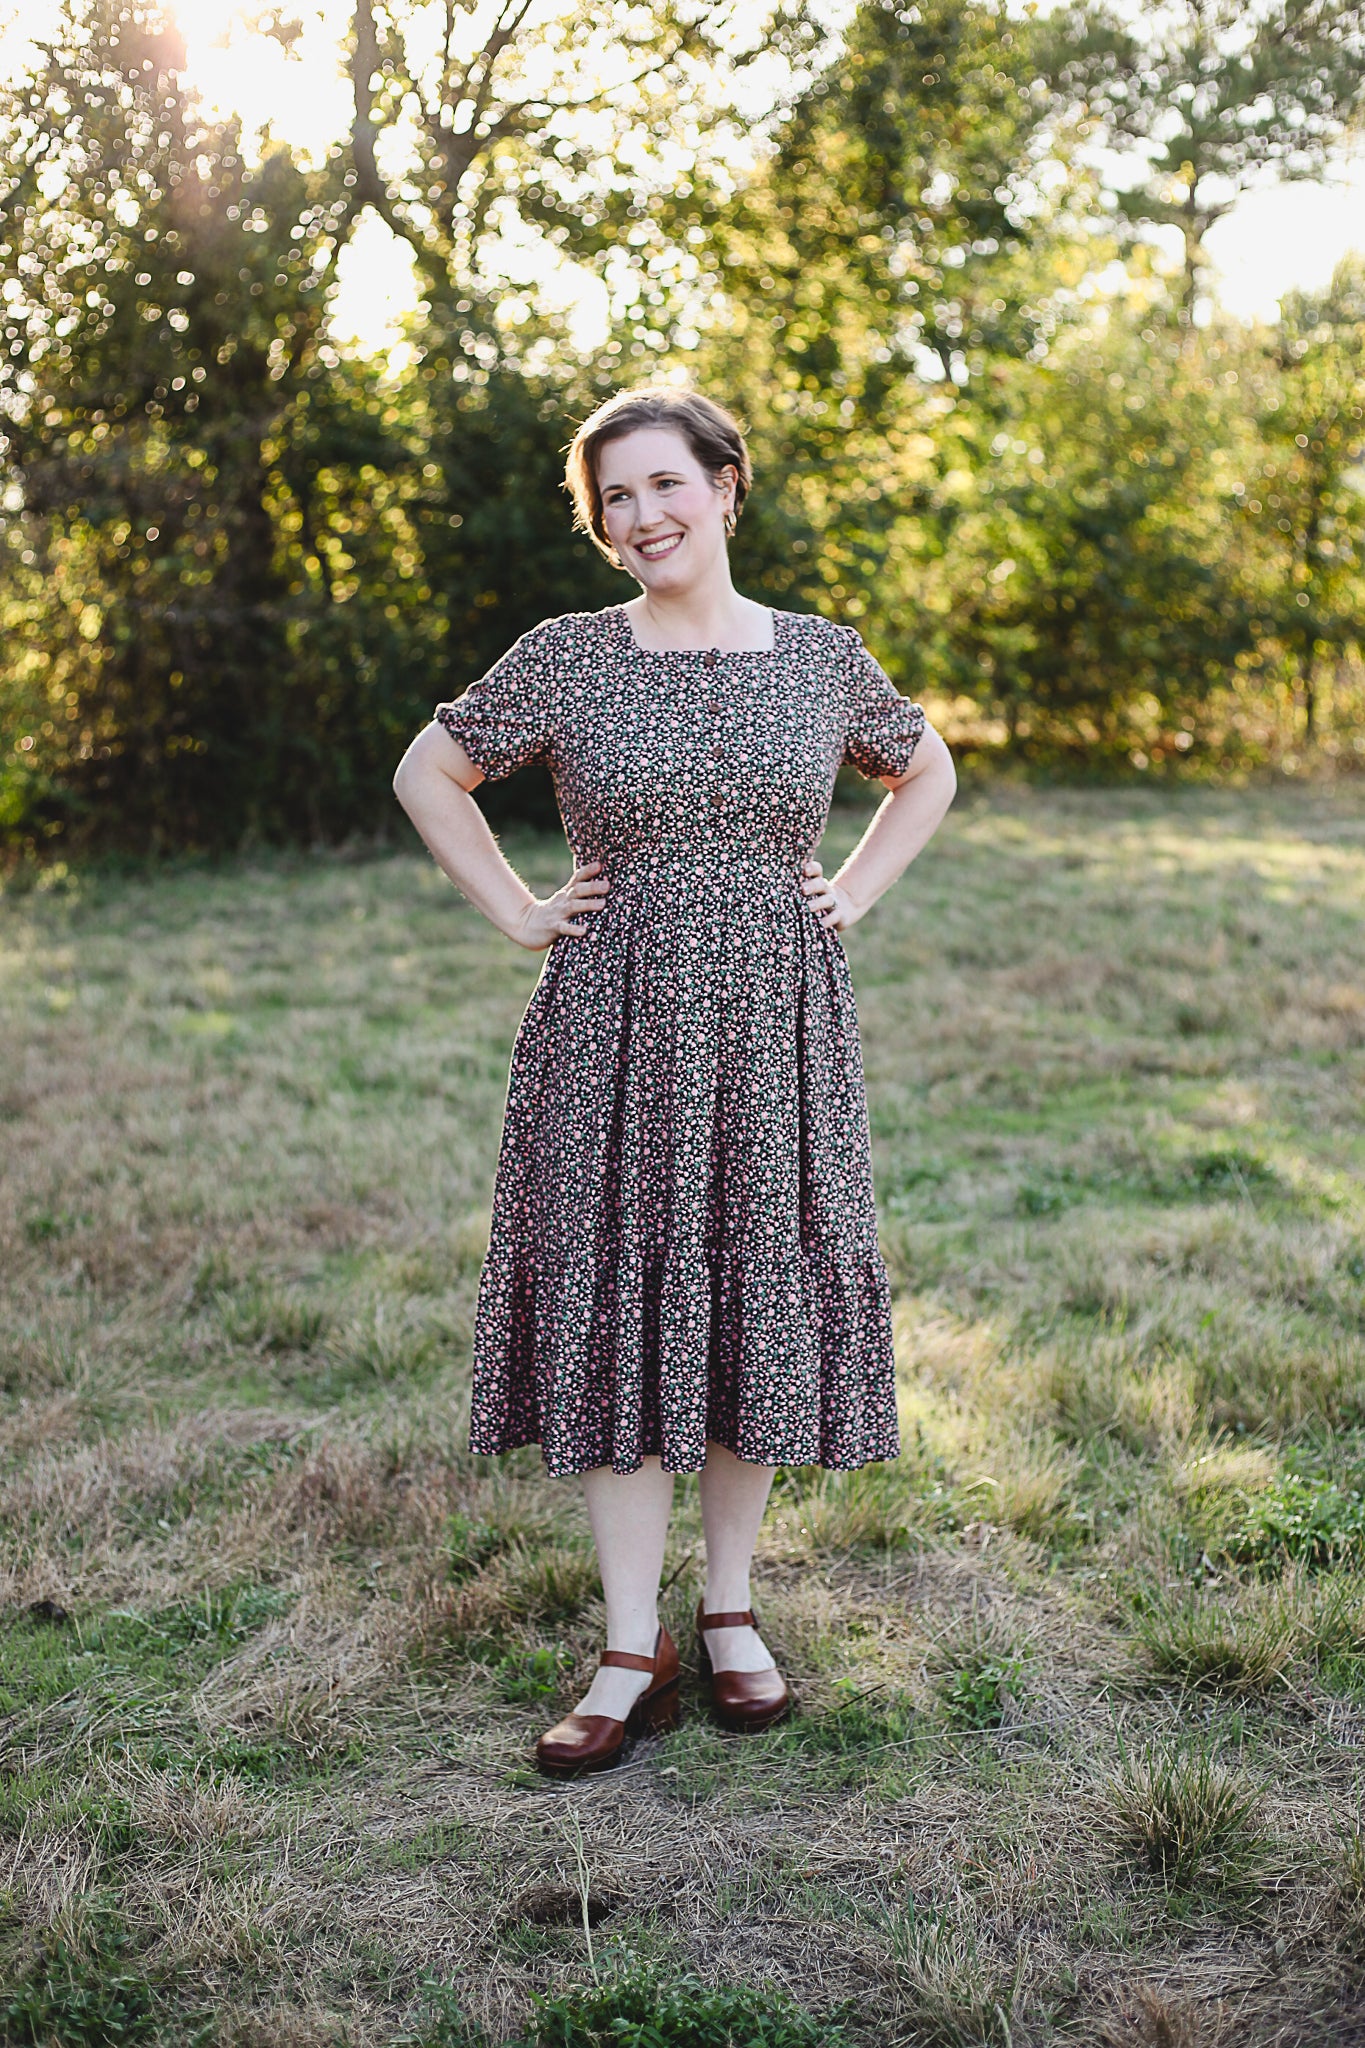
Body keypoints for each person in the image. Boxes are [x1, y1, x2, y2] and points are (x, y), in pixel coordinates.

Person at [392, 387, 957, 1778]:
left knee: (749, 1292)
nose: (641, 519)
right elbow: (429, 768)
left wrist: (856, 894)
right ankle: (629, 1646)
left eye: (661, 487)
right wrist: (522, 909)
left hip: (777, 1022)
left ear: (723, 484)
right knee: (622, 1305)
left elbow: (923, 768)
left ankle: (729, 1610)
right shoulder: (571, 658)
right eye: (613, 504)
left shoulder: (819, 656)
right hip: (610, 1027)